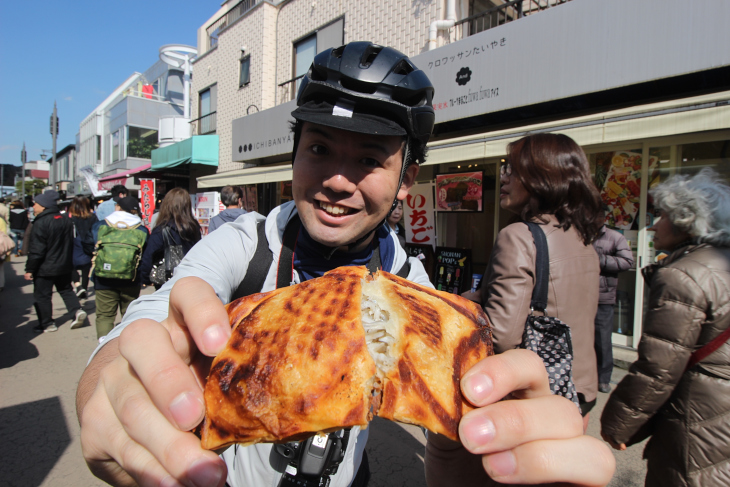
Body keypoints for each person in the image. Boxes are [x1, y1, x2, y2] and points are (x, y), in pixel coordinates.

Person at [75, 42, 614, 487]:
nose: (337, 179)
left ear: (406, 180)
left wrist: (487, 460)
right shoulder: (247, 245)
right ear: (293, 157)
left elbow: (459, 418)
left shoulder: (412, 290)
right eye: (319, 149)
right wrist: (112, 389)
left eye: (368, 159)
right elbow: (142, 327)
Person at [461, 133, 604, 432]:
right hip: (579, 388)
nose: (503, 177)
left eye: (512, 169)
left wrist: (467, 303)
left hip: (535, 392)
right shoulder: (583, 239)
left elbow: (501, 335)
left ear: (541, 177)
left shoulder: (518, 236)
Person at [601, 168, 730, 487]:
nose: (653, 224)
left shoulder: (682, 275)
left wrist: (618, 425)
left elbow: (658, 366)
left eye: (661, 216)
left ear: (687, 220)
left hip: (697, 414)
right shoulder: (720, 263)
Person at [24, 190, 87, 333]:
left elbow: (37, 250)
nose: (33, 207)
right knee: (66, 290)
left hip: (44, 267)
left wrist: (30, 269)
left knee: (43, 295)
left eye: (36, 204)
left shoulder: (40, 223)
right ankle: (76, 311)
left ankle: (47, 323)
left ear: (44, 206)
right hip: (64, 263)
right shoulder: (65, 220)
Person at [91, 195, 149, 340]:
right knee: (129, 313)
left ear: (117, 207)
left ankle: (103, 344)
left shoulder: (100, 226)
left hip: (103, 277)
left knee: (105, 315)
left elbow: (88, 245)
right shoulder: (141, 230)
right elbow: (146, 254)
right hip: (131, 278)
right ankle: (129, 343)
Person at [592, 223, 634, 393]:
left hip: (602, 296)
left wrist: (599, 260)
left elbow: (627, 261)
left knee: (602, 340)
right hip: (579, 294)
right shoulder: (578, 234)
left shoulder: (615, 237)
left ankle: (603, 379)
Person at [140, 188, 202, 289]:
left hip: (165, 281)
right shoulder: (194, 228)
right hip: (189, 277)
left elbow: (149, 256)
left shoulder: (162, 229)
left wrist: (145, 278)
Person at [69, 196, 96, 299]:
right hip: (88, 244)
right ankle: (83, 288)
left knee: (71, 266)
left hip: (73, 244)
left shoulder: (70, 218)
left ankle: (77, 285)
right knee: (86, 268)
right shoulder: (92, 217)